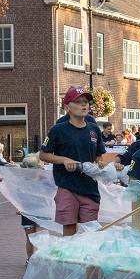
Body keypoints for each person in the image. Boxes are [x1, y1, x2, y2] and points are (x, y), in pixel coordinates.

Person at [39, 86, 103, 236]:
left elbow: (99, 155)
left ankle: (86, 259)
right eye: (78, 102)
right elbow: (43, 155)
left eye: (86, 102)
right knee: (69, 228)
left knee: (90, 231)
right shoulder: (59, 129)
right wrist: (64, 160)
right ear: (67, 107)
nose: (84, 105)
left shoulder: (94, 129)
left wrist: (100, 163)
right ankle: (68, 258)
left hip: (89, 188)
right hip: (67, 186)